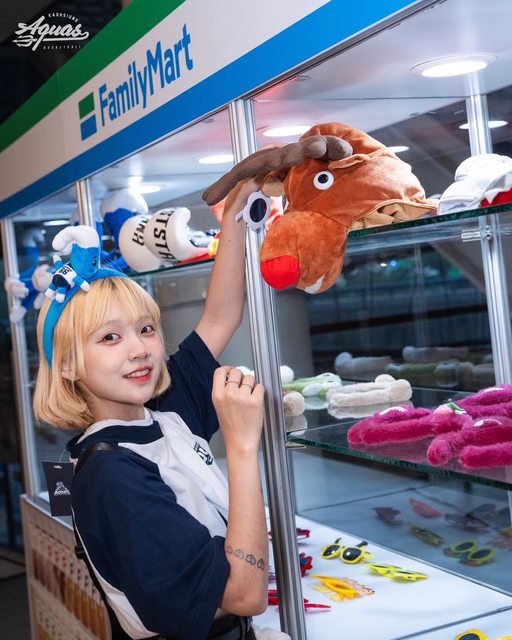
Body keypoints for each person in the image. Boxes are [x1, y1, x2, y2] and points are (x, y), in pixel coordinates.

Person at [33, 180, 272, 640]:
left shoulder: (160, 413)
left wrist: (236, 215)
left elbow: (220, 317)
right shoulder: (112, 477)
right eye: (110, 337)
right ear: (67, 365)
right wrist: (242, 445)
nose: (140, 349)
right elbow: (244, 595)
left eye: (145, 329)